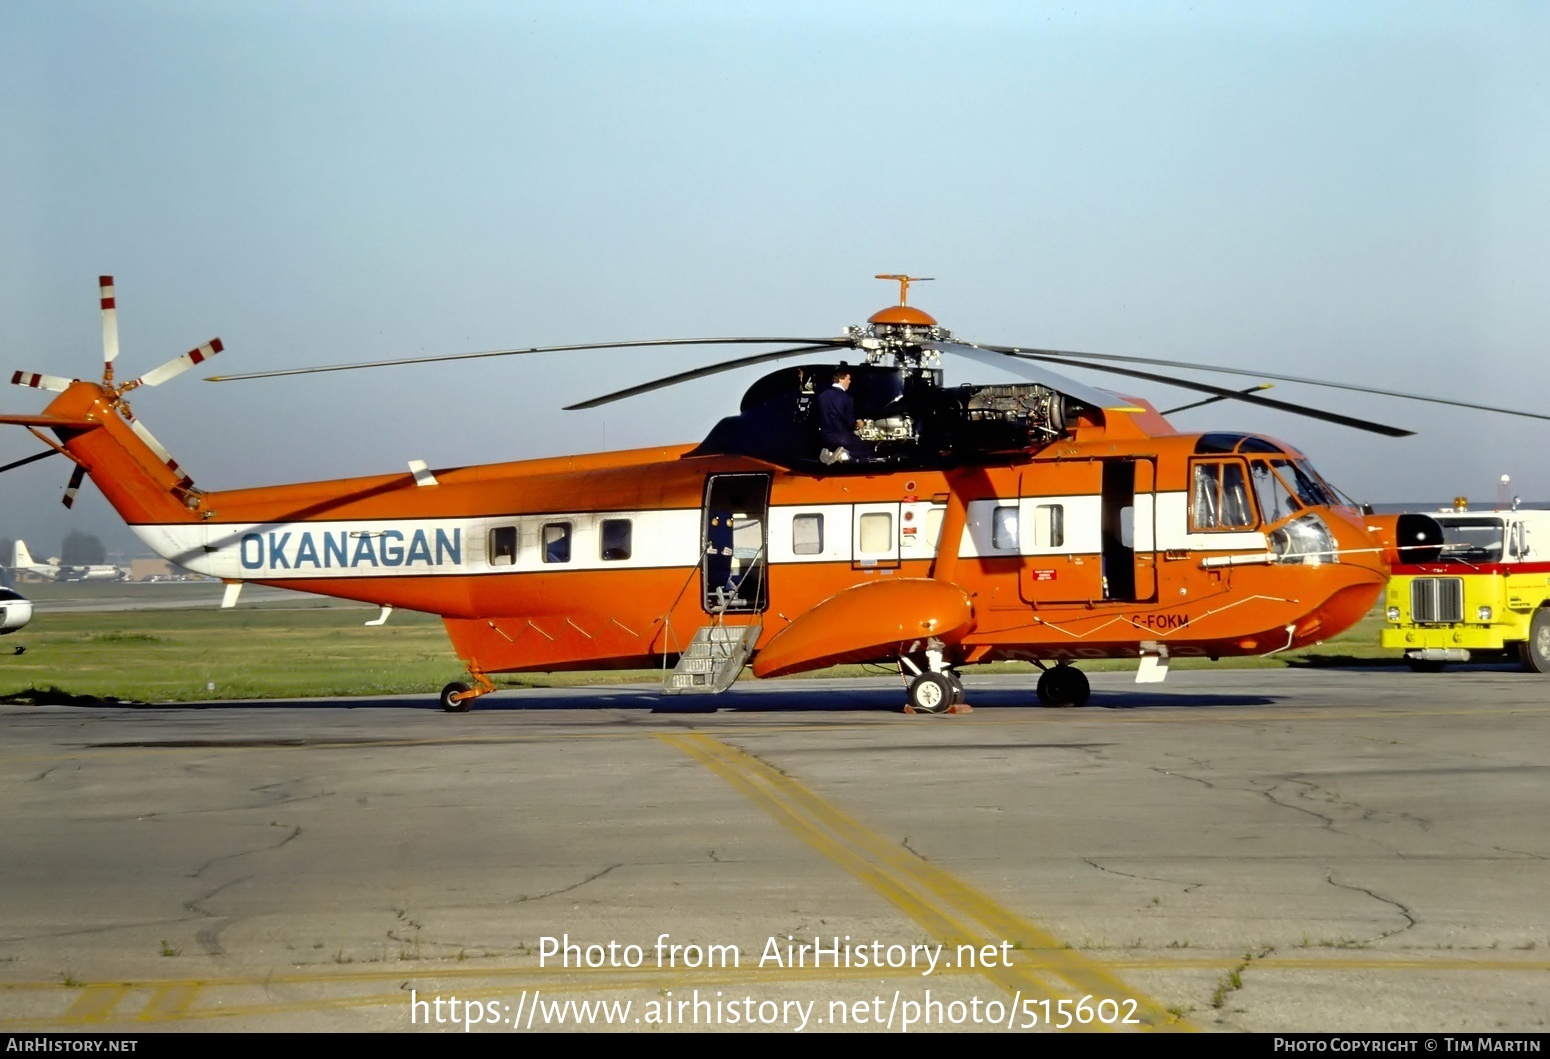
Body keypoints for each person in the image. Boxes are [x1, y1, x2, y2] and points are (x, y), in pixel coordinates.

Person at [815, 367, 871, 464]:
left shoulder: (821, 396)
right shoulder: (847, 398)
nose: (849, 382)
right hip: (842, 437)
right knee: (867, 449)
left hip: (824, 437)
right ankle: (845, 455)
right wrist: (858, 424)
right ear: (840, 379)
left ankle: (830, 454)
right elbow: (850, 423)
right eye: (848, 379)